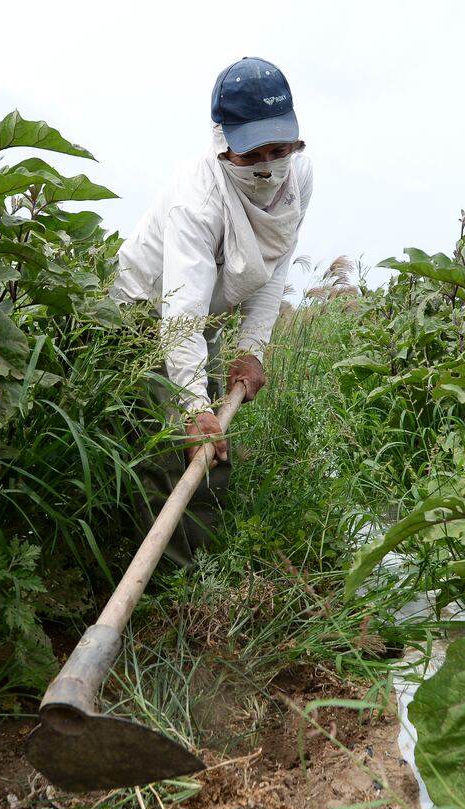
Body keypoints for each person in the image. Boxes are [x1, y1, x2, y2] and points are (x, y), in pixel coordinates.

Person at [110, 57, 313, 565]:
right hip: (145, 312)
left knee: (211, 446)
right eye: (253, 153)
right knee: (173, 440)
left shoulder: (298, 177)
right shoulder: (196, 200)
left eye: (279, 149)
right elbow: (180, 313)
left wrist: (253, 350)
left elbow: (274, 265)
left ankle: (197, 567)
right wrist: (192, 404)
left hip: (206, 315)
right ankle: (165, 584)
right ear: (224, 143)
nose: (268, 165)